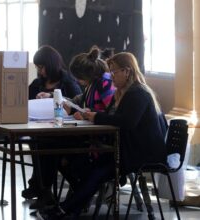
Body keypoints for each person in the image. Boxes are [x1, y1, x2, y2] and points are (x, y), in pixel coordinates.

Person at [38, 52, 167, 220]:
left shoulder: (137, 93)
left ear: (127, 71)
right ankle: (68, 209)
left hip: (143, 152)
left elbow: (126, 122)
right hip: (131, 147)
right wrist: (93, 115)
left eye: (114, 72)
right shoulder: (125, 92)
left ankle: (65, 209)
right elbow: (113, 117)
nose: (111, 77)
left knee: (98, 169)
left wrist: (95, 116)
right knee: (92, 167)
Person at [22, 45, 82, 209]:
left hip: (66, 133)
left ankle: (43, 189)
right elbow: (24, 102)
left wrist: (53, 97)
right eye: (37, 68)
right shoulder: (37, 83)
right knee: (37, 142)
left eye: (42, 67)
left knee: (44, 146)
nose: (40, 72)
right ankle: (41, 187)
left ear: (50, 65)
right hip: (42, 130)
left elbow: (77, 104)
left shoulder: (68, 82)